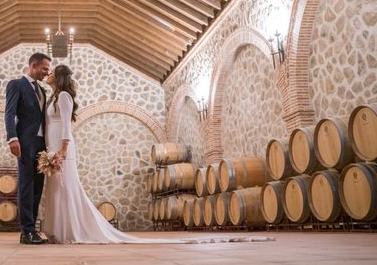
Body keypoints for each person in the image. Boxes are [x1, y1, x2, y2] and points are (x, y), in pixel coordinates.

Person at [41, 65, 273, 245]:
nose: (48, 74)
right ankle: (58, 230)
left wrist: (62, 150)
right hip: (53, 149)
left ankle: (69, 230)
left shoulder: (63, 97)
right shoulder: (53, 96)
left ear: (59, 77)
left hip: (63, 150)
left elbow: (66, 129)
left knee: (66, 188)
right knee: (55, 189)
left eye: (51, 72)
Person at [4, 52, 51, 245]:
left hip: (41, 145)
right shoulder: (16, 84)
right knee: (26, 185)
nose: (46, 73)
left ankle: (32, 231)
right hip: (24, 142)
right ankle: (27, 230)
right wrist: (12, 138)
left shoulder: (42, 91)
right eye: (44, 69)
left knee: (38, 187)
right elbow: (9, 113)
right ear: (33, 66)